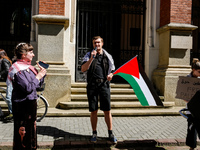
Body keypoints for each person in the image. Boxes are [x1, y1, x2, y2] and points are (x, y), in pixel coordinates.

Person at [7, 43, 46, 149]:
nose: (33, 55)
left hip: (30, 104)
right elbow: (27, 88)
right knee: (22, 133)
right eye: (31, 52)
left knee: (31, 132)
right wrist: (38, 77)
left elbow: (37, 86)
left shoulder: (29, 68)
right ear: (23, 54)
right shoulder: (17, 69)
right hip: (21, 106)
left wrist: (42, 74)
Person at [81, 36, 117, 143]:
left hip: (104, 85)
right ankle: (94, 133)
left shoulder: (107, 56)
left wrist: (111, 75)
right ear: (93, 45)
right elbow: (83, 68)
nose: (97, 45)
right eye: (95, 43)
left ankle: (110, 133)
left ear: (102, 43)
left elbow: (112, 70)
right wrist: (92, 58)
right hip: (92, 86)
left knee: (107, 110)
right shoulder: (88, 55)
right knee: (93, 111)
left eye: (98, 42)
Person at [185, 58, 200, 150]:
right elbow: (182, 93)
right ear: (193, 70)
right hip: (191, 109)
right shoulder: (187, 79)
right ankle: (191, 147)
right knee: (192, 129)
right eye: (199, 71)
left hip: (199, 109)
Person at [0, 49, 13, 120]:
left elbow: (7, 70)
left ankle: (13, 113)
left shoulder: (4, 60)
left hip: (10, 80)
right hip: (9, 80)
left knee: (8, 98)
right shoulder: (6, 59)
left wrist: (0, 75)